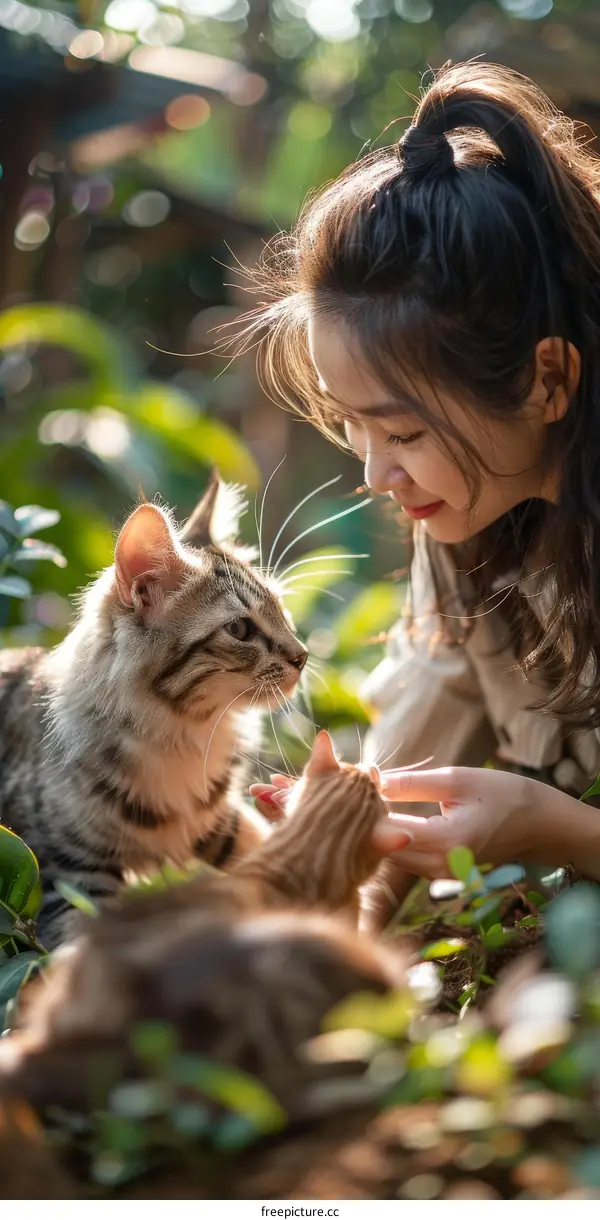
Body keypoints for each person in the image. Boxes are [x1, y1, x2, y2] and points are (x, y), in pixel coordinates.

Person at [243, 60, 600, 919]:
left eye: (402, 432)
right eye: (352, 425)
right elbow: (402, 810)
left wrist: (558, 830)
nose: (373, 474)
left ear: (547, 378)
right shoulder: (475, 532)